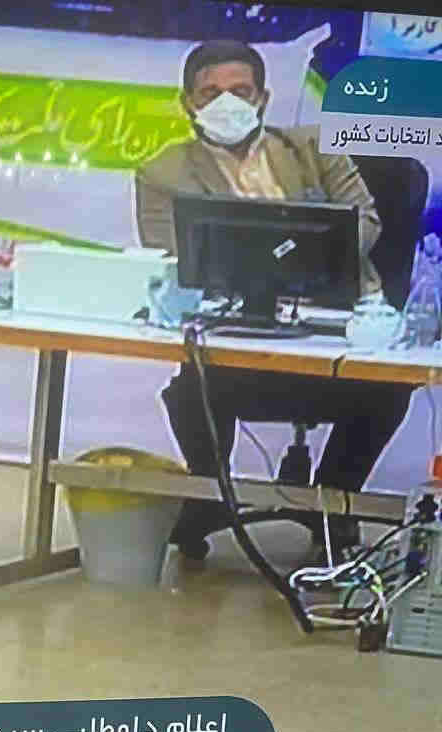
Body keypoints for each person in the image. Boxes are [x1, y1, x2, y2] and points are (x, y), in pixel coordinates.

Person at [136, 40, 413, 563]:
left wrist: (302, 258)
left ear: (263, 98)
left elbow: (366, 222)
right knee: (190, 391)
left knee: (387, 393)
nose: (227, 103)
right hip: (232, 342)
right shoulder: (162, 173)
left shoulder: (314, 149)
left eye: (240, 91)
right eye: (210, 93)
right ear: (187, 103)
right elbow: (169, 256)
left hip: (331, 333)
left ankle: (332, 500)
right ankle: (209, 492)